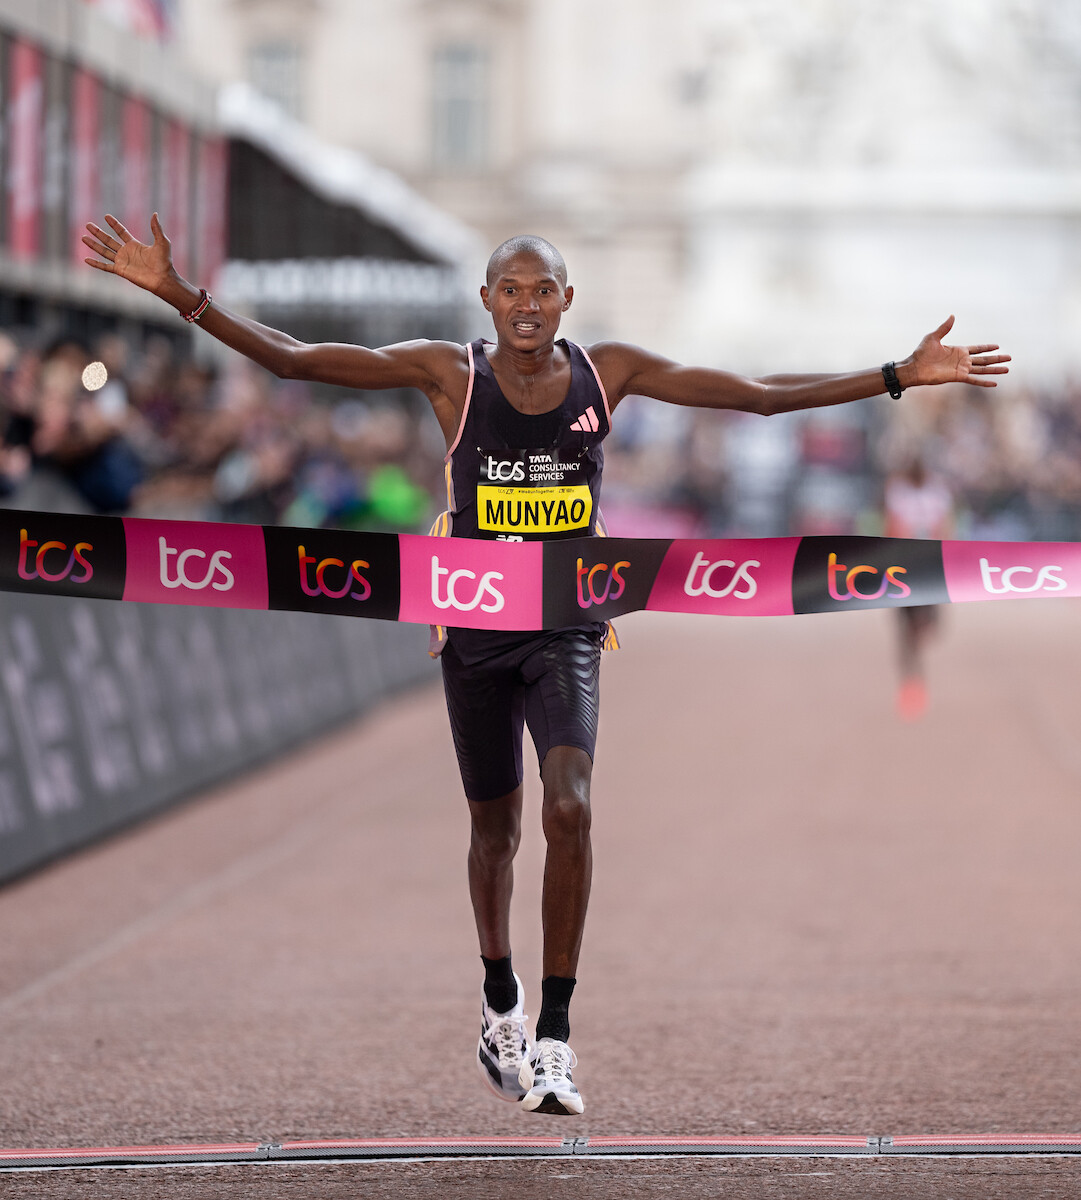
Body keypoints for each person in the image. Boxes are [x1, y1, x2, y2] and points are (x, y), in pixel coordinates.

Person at [83, 213, 1010, 1116]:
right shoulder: (449, 372)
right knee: (496, 834)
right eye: (510, 291)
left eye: (543, 291)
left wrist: (896, 375)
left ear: (568, 298)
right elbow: (294, 359)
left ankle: (557, 1036)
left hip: (566, 627)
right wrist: (181, 296)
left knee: (570, 808)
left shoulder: (610, 373)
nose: (526, 306)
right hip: (473, 633)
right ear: (486, 299)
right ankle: (501, 1000)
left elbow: (757, 394)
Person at [883, 455, 955, 720]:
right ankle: (911, 683)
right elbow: (892, 526)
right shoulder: (900, 491)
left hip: (925, 564)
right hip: (907, 566)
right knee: (907, 630)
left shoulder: (933, 492)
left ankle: (914, 660)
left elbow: (944, 526)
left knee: (925, 627)